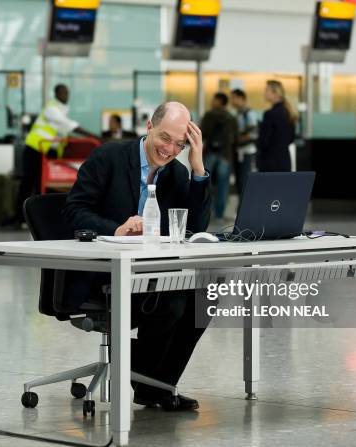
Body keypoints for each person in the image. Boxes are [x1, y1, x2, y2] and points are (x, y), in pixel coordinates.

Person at [63, 102, 211, 411]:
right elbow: (74, 211)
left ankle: (157, 386)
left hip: (147, 274)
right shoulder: (109, 157)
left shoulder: (176, 172)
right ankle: (148, 383)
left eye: (179, 144)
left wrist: (198, 169)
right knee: (171, 303)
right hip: (101, 277)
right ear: (149, 127)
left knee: (205, 297)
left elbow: (194, 228)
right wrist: (116, 230)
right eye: (165, 138)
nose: (170, 149)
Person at [17, 84, 98, 219]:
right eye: (63, 93)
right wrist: (95, 137)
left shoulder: (61, 110)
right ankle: (20, 217)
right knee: (28, 183)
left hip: (47, 153)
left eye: (67, 93)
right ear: (56, 94)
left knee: (41, 185)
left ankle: (38, 217)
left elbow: (63, 133)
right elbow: (70, 125)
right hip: (35, 149)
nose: (66, 96)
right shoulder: (51, 108)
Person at [200, 92, 238, 223]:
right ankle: (220, 215)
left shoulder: (209, 115)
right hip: (225, 155)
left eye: (214, 100)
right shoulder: (231, 117)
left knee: (205, 183)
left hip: (210, 152)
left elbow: (202, 133)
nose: (212, 101)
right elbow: (235, 137)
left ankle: (205, 213)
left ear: (220, 101)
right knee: (223, 185)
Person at [256, 80, 296, 172]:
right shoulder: (288, 112)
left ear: (275, 94)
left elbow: (264, 142)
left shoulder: (270, 114)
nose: (264, 93)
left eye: (267, 90)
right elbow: (291, 139)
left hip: (269, 163)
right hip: (284, 161)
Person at [230, 89, 257, 197]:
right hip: (239, 151)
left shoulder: (248, 113)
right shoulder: (238, 113)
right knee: (239, 181)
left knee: (243, 181)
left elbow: (253, 134)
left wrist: (237, 140)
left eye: (233, 98)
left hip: (246, 152)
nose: (231, 101)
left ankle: (245, 209)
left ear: (241, 98)